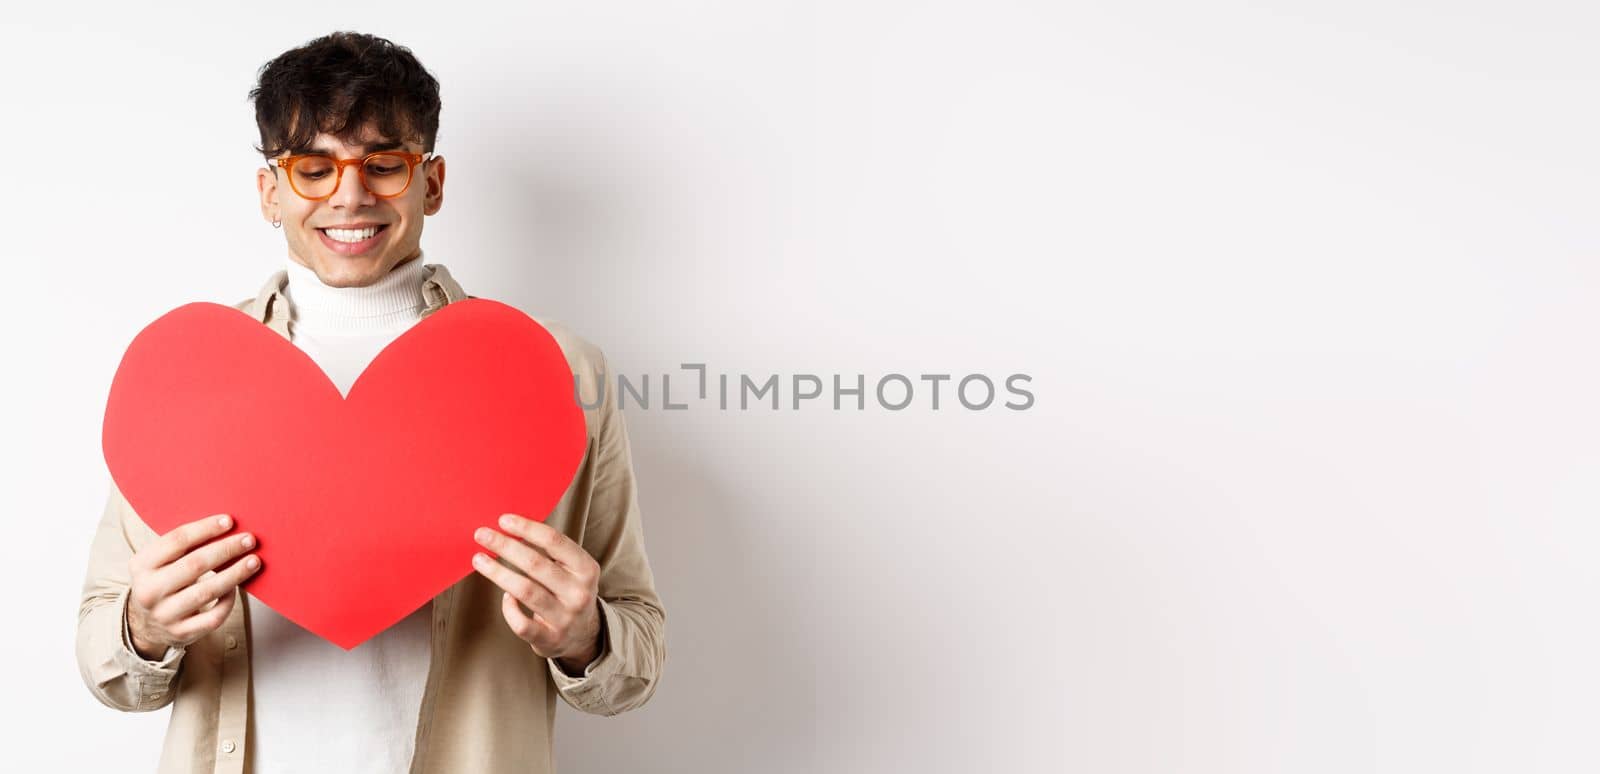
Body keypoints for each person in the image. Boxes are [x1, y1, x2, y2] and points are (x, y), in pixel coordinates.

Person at [74, 31, 667, 774]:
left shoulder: (555, 372)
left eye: (384, 165)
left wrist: (587, 638)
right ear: (271, 192)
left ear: (433, 182)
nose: (349, 196)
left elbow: (635, 650)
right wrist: (145, 628)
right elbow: (104, 654)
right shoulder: (186, 379)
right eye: (312, 168)